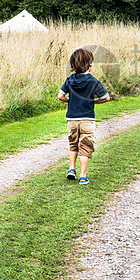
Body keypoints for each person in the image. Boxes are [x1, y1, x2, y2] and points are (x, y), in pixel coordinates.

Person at [58, 48, 110, 184]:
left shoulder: (69, 80)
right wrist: (94, 101)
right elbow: (106, 98)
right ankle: (82, 175)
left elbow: (60, 96)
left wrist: (71, 100)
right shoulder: (94, 82)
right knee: (85, 146)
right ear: (90, 65)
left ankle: (71, 169)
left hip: (72, 119)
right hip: (87, 118)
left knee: (73, 144)